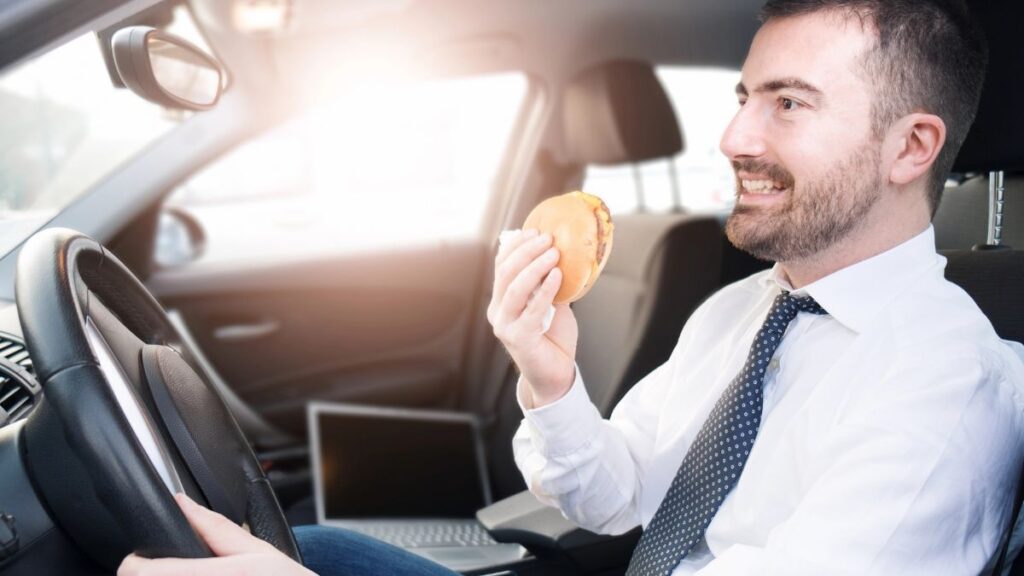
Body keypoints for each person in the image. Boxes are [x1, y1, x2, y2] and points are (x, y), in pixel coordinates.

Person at [119, 1, 1024, 575]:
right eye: (744, 95)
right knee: (309, 548)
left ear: (912, 147)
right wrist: (551, 383)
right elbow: (618, 498)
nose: (734, 136)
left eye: (788, 103)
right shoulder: (747, 307)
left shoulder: (941, 398)